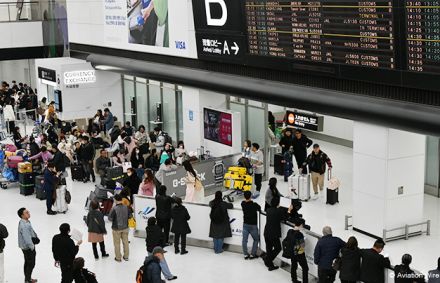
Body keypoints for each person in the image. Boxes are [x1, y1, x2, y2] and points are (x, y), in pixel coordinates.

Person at [263, 197, 292, 271]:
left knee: (269, 249)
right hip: (274, 234)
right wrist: (289, 210)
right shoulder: (278, 211)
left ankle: (268, 262)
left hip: (266, 232)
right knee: (278, 248)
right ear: (278, 203)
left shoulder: (268, 210)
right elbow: (285, 218)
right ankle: (268, 261)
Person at [108, 194, 131, 262]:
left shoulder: (114, 208)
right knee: (126, 242)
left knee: (117, 244)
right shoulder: (126, 207)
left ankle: (118, 258)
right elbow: (130, 216)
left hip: (116, 229)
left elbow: (110, 218)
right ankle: (126, 257)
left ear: (115, 200)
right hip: (125, 228)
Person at [17, 207, 38, 283]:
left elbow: (30, 231)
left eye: (28, 211)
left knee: (27, 263)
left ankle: (27, 279)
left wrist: (35, 236)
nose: (29, 213)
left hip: (25, 246)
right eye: (26, 212)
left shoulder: (25, 221)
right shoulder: (24, 225)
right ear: (22, 215)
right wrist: (32, 247)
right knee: (31, 264)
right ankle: (28, 280)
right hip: (28, 247)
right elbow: (27, 238)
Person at [285, 218, 308, 283]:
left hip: (292, 252)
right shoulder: (300, 234)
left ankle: (294, 279)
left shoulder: (289, 231)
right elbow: (301, 247)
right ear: (301, 225)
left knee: (294, 265)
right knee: (305, 268)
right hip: (299, 254)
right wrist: (304, 240)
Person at [241, 190, 261, 260]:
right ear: (251, 196)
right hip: (253, 226)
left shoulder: (243, 204)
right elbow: (259, 208)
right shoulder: (254, 205)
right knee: (256, 239)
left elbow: (244, 202)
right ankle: (253, 254)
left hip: (245, 225)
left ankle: (245, 254)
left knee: (244, 240)